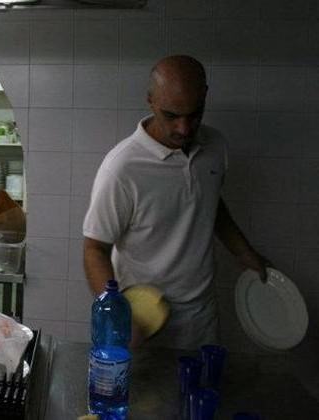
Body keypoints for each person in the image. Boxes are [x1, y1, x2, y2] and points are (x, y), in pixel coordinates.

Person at [82, 55, 268, 350]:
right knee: (145, 397)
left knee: (200, 391)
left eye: (194, 114)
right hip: (141, 319)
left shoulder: (216, 147)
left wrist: (244, 253)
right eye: (171, 115)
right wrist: (115, 311)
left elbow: (208, 204)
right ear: (151, 101)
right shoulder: (122, 168)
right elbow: (94, 249)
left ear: (205, 96)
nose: (184, 128)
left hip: (201, 315)